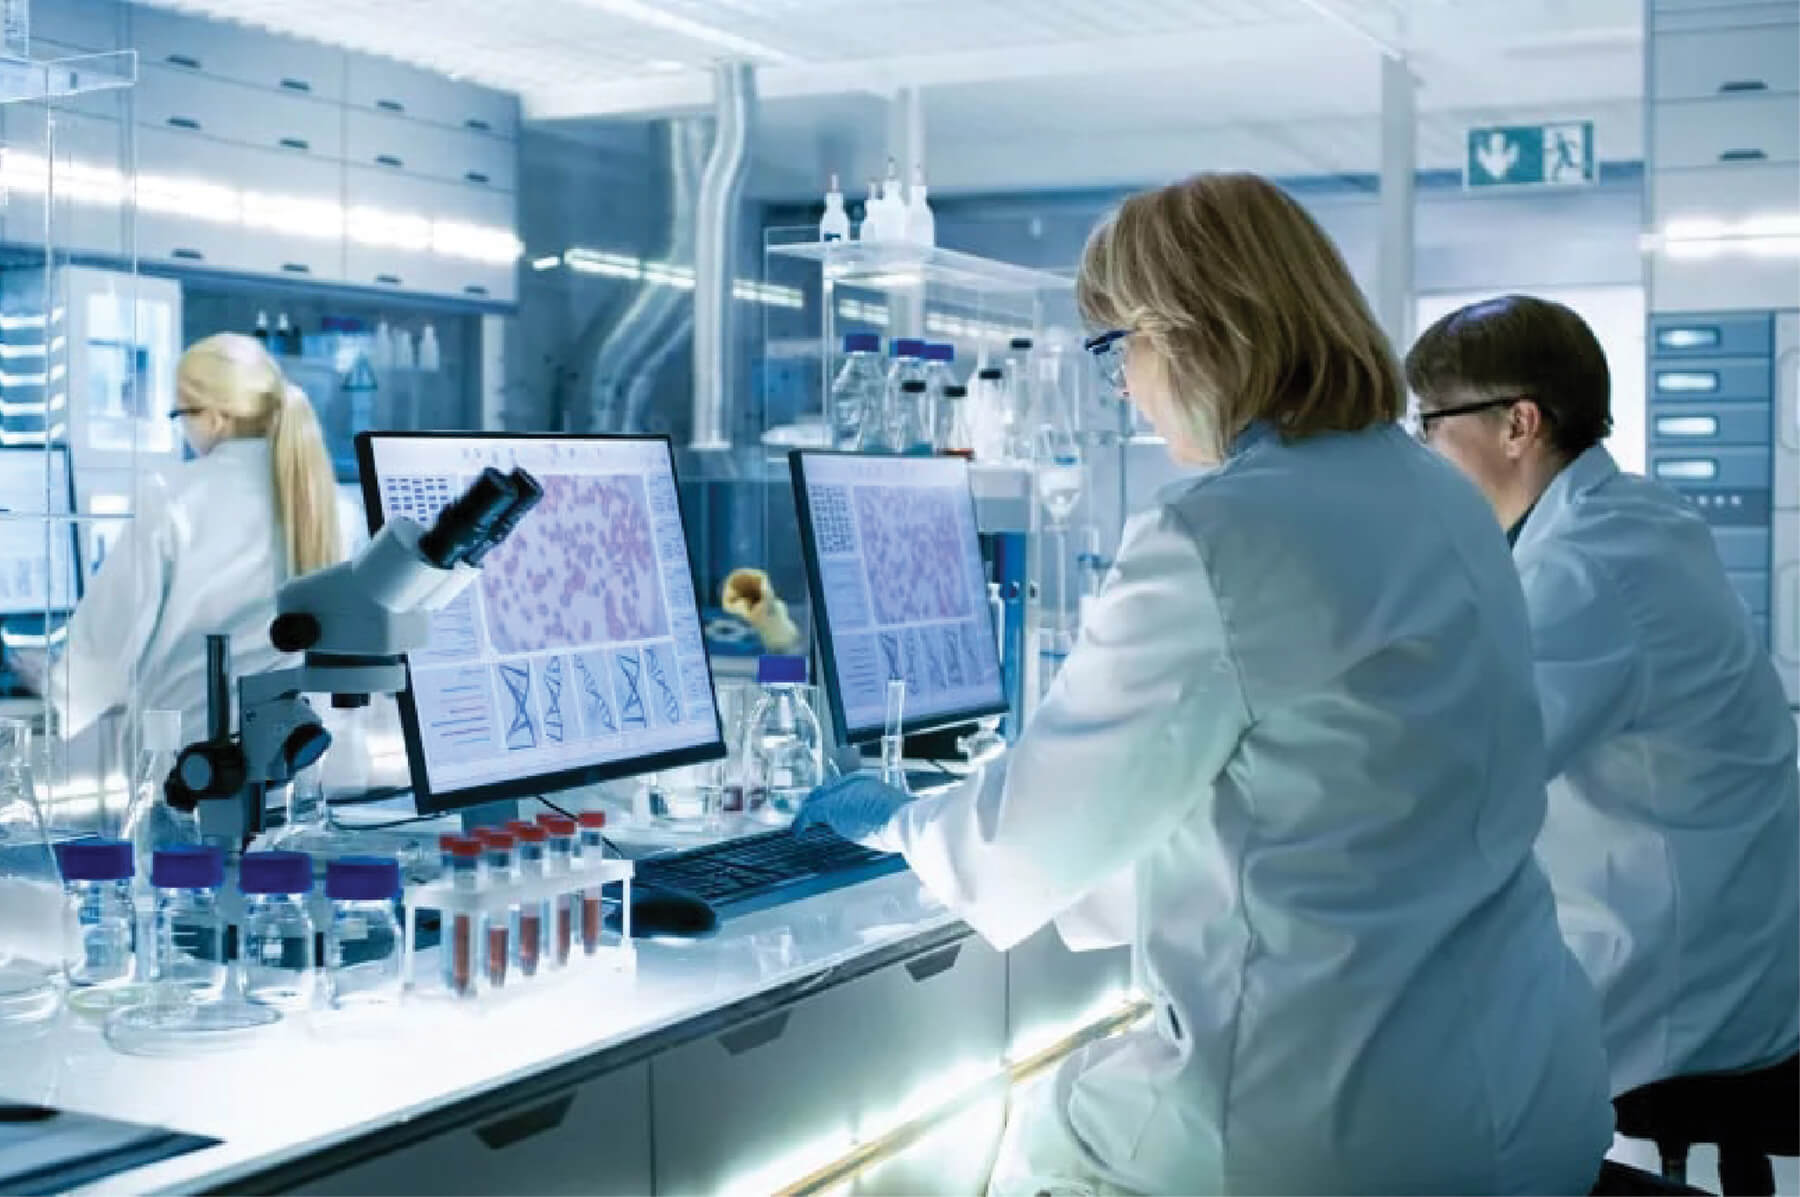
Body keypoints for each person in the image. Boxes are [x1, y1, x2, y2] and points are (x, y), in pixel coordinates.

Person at [796, 174, 1611, 1195]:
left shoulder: (1220, 534)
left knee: (991, 1151)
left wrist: (902, 821)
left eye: (1116, 351)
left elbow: (1021, 849)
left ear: (1186, 333)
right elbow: (1325, 801)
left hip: (1337, 1133)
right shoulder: (1442, 494)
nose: (1125, 387)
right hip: (1530, 1096)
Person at [1405, 295, 1799, 1102]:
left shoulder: (1587, 567)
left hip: (1678, 988)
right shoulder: (1631, 519)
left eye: (1432, 425)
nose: (1423, 453)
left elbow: (1469, 771)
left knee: (1402, 1078)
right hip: (1729, 945)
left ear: (1519, 425)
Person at [34, 332, 342, 748]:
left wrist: (54, 690)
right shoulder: (331, 501)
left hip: (192, 763)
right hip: (304, 762)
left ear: (215, 417)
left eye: (179, 415)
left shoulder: (173, 494)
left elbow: (108, 637)